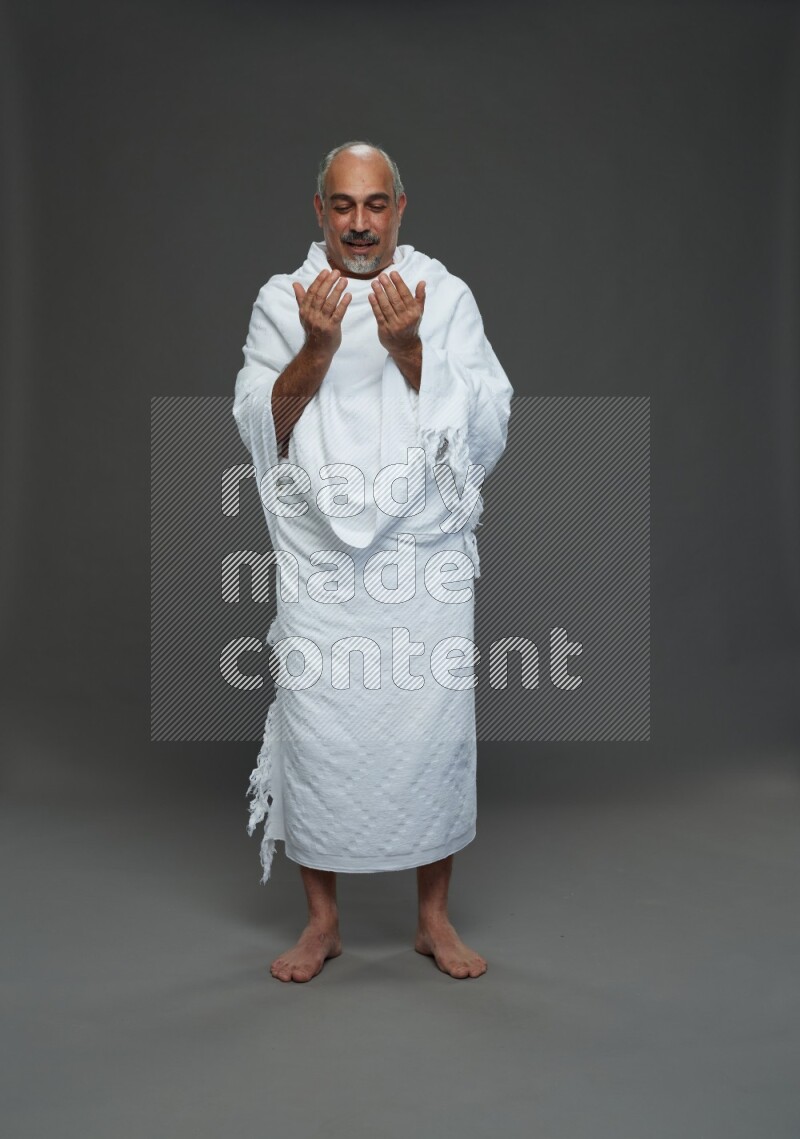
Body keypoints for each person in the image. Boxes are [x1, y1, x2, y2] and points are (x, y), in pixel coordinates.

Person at [232, 140, 513, 982]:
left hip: (419, 560)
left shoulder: (445, 295)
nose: (360, 224)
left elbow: (489, 422)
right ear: (318, 211)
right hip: (322, 561)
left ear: (400, 209)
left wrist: (410, 348)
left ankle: (433, 918)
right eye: (343, 206)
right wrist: (316, 348)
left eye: (376, 205)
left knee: (429, 732)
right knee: (320, 734)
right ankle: (322, 922)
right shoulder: (283, 301)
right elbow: (261, 425)